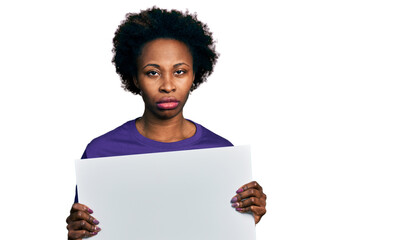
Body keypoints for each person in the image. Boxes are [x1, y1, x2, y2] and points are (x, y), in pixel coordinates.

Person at [65, 7, 267, 239]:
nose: (168, 85)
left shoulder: (222, 154)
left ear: (194, 75)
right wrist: (75, 236)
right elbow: (89, 231)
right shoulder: (101, 152)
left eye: (180, 71)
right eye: (153, 73)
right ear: (135, 78)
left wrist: (246, 217)